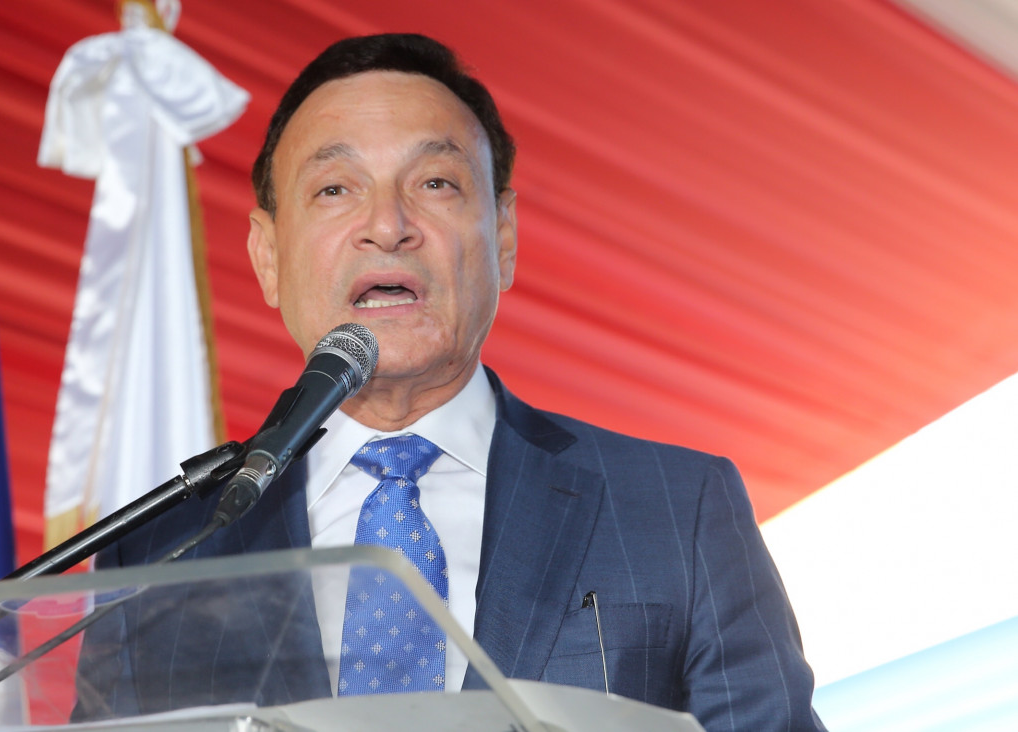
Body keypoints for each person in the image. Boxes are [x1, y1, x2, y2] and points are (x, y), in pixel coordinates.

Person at [72, 33, 826, 731]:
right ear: (268, 257)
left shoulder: (678, 510)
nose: (388, 224)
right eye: (335, 189)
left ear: (504, 237)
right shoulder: (163, 552)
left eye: (435, 182)